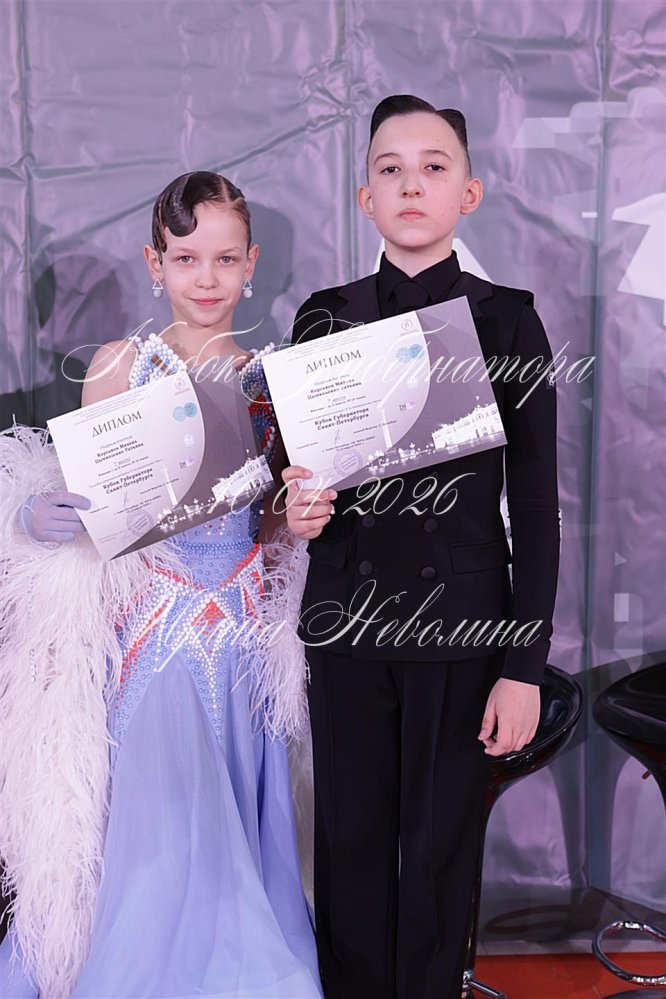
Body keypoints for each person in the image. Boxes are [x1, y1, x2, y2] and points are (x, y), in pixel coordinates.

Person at [0, 172, 322, 998]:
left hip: (242, 634)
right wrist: (36, 512)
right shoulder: (120, 368)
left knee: (242, 828)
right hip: (153, 633)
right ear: (156, 264)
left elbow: (271, 521)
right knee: (158, 831)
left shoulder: (269, 379)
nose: (206, 278)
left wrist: (297, 518)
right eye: (186, 259)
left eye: (224, 259)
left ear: (252, 264)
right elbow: (86, 499)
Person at [282, 95, 559, 999]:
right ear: (365, 197)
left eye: (434, 167)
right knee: (351, 848)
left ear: (468, 193)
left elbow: (538, 510)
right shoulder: (324, 318)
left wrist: (523, 666)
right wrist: (299, 508)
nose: (412, 184)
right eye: (390, 169)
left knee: (440, 859)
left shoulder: (509, 321)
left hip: (464, 629)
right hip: (348, 624)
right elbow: (295, 478)